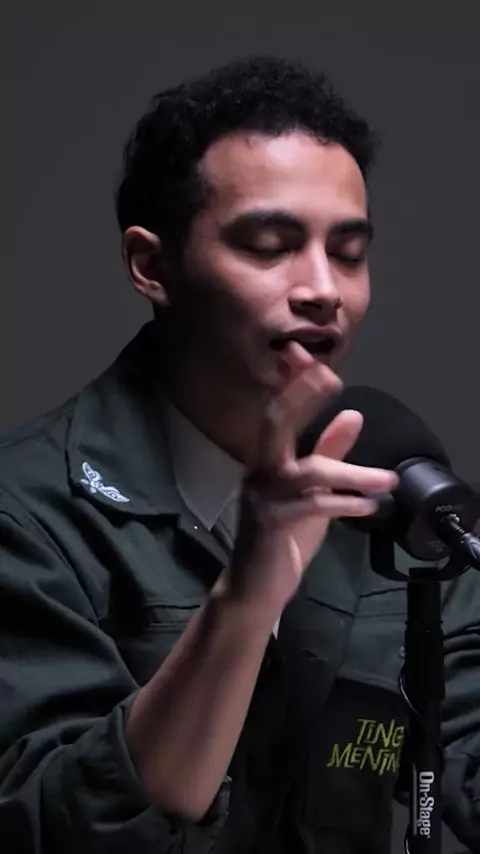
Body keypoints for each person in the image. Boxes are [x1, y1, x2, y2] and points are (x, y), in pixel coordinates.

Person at [0, 56, 478, 854]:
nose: (323, 288)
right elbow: (65, 824)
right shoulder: (26, 515)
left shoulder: (392, 498)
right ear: (152, 266)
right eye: (269, 245)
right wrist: (248, 595)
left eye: (349, 253)